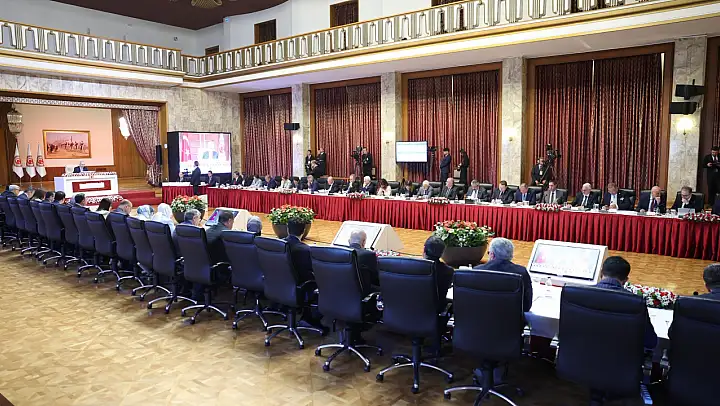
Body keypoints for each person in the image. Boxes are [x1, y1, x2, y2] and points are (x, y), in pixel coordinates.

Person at [596, 256, 658, 349]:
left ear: (601, 273)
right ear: (625, 280)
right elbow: (650, 342)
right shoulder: (636, 302)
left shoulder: (577, 294)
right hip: (619, 356)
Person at [473, 238, 533, 312]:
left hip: (481, 316)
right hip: (511, 318)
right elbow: (527, 306)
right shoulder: (521, 272)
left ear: (492, 254)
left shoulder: (477, 270)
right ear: (511, 255)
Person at [423, 236, 454, 312]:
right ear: (442, 253)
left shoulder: (412, 268)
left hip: (413, 309)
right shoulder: (448, 271)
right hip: (437, 312)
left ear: (424, 249)